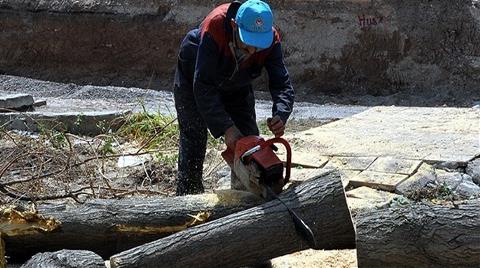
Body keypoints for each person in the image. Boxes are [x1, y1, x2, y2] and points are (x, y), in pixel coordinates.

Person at [174, 0, 294, 196]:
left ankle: (244, 200)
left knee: (250, 144)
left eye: (258, 45)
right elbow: (203, 86)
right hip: (196, 75)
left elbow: (282, 83)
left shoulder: (271, 40)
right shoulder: (215, 28)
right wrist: (226, 128)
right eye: (249, 43)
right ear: (233, 26)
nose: (253, 51)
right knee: (194, 136)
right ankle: (188, 197)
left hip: (237, 84)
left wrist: (281, 112)